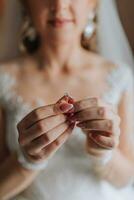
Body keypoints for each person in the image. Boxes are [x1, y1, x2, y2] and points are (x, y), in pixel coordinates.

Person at [0, 0, 134, 199]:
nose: (59, 5)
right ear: (26, 5)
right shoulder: (4, 80)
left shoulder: (118, 76)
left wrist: (103, 152)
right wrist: (28, 160)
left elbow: (127, 177)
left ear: (94, 4)